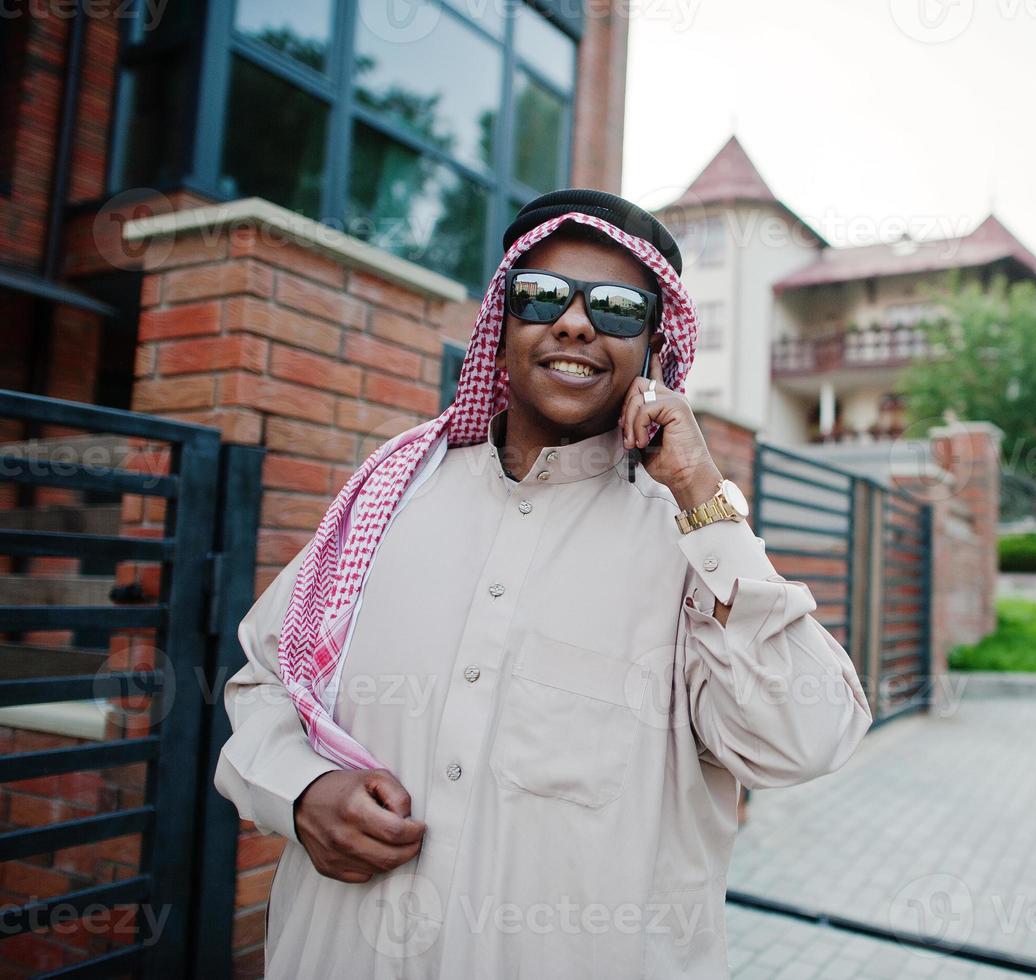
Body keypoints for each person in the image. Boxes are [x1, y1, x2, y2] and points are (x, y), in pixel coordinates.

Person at [213, 189, 873, 978]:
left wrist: (701, 492)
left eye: (618, 309)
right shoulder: (391, 497)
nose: (573, 323)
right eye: (541, 297)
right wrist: (300, 788)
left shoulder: (692, 541)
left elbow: (806, 739)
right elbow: (264, 684)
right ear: (499, 329)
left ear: (656, 354)